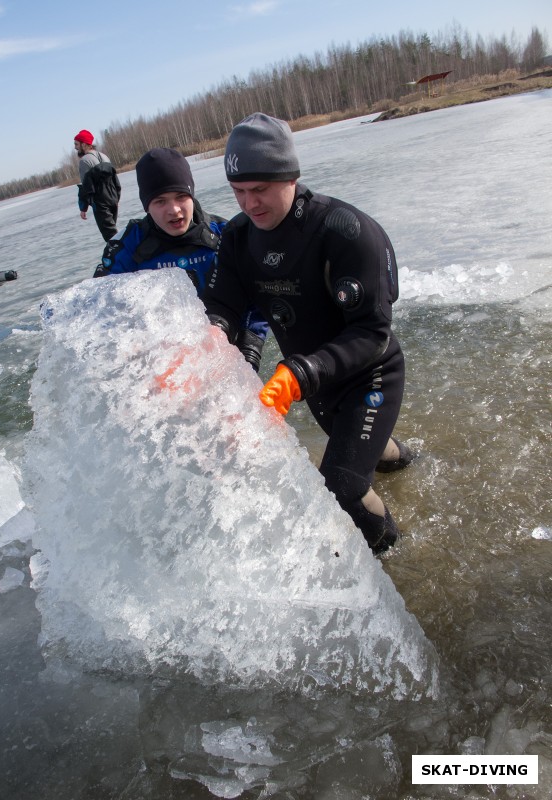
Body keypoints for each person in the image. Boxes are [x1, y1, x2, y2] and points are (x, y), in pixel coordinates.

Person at [203, 113, 415, 554]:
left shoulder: (345, 232)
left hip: (367, 375)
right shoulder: (238, 239)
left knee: (341, 487)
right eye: (238, 192)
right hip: (312, 385)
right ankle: (411, 460)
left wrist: (298, 373)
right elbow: (225, 306)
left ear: (290, 176)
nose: (249, 203)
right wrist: (207, 341)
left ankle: (397, 564)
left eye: (259, 189)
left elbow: (373, 332)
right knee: (360, 451)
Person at [93, 147, 268, 370]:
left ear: (192, 195)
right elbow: (101, 311)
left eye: (181, 197)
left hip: (222, 348)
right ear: (147, 206)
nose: (174, 210)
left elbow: (257, 298)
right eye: (160, 201)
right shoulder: (125, 248)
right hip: (162, 365)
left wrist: (249, 351)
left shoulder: (225, 235)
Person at [74, 129, 121, 242]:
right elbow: (116, 181)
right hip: (113, 200)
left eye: (76, 144)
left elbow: (85, 187)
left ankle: (123, 258)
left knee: (110, 237)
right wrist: (117, 199)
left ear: (84, 144)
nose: (75, 147)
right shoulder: (104, 156)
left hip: (101, 203)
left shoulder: (84, 161)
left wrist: (83, 208)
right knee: (113, 232)